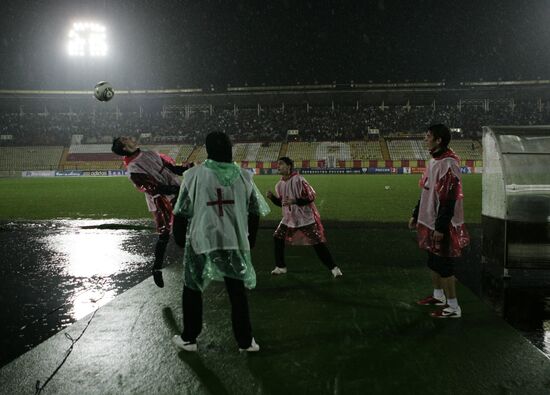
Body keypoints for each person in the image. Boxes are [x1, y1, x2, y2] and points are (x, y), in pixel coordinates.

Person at [171, 131, 270, 352]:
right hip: (233, 241)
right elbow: (255, 210)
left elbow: (181, 211)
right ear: (230, 148)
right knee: (237, 291)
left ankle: (189, 338)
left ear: (207, 149)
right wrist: (250, 239)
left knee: (192, 287)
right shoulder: (245, 176)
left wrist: (178, 238)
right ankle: (246, 341)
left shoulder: (193, 175)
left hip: (201, 240)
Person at [111, 136, 192, 288]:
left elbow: (171, 168)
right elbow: (154, 188)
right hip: (160, 201)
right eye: (125, 139)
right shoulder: (133, 169)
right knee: (164, 234)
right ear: (123, 147)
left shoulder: (150, 154)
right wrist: (175, 189)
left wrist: (187, 168)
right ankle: (157, 268)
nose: (131, 137)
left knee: (190, 220)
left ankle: (194, 253)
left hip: (176, 192)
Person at [408, 124, 470, 318]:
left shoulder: (448, 163)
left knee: (444, 264)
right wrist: (416, 214)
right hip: (429, 220)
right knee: (433, 261)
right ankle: (438, 296)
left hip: (441, 224)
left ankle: (453, 307)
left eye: (428, 136)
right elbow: (425, 190)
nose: (425, 139)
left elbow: (449, 198)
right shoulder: (434, 160)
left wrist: (441, 227)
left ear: (438, 140)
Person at [266, 157, 342, 278]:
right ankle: (281, 267)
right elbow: (282, 203)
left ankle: (334, 268)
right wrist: (272, 198)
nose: (278, 166)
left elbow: (311, 197)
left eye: (281, 164)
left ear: (289, 166)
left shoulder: (299, 180)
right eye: (277, 164)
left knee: (317, 243)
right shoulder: (279, 185)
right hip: (288, 219)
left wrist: (295, 201)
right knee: (277, 237)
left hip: (304, 218)